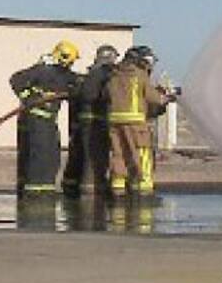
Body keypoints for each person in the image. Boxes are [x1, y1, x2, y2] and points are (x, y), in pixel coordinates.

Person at [9, 41, 81, 196]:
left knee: (51, 153)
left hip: (46, 121)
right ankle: (37, 192)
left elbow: (79, 83)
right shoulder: (42, 70)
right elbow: (15, 80)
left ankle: (40, 189)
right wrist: (30, 97)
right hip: (37, 120)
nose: (72, 64)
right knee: (42, 154)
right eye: (71, 61)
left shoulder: (63, 75)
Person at [105, 45, 175, 198]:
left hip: (114, 122)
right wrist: (168, 97)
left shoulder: (114, 74)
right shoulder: (139, 75)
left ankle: (118, 189)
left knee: (119, 154)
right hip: (135, 122)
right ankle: (144, 190)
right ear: (139, 60)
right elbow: (153, 98)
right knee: (143, 153)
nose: (149, 65)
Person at [62, 44, 119, 197]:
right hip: (96, 123)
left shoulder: (87, 75)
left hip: (82, 124)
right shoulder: (104, 74)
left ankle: (71, 189)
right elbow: (100, 96)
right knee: (95, 158)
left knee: (79, 156)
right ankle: (93, 191)